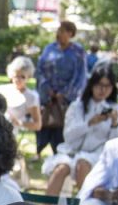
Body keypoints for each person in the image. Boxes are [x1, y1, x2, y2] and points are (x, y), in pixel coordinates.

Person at [43, 67, 118, 196]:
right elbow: (68, 136)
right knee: (61, 169)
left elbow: (116, 143)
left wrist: (114, 123)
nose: (102, 90)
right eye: (99, 85)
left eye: (107, 86)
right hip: (71, 151)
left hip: (97, 154)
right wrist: (89, 123)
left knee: (82, 164)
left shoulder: (117, 109)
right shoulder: (77, 106)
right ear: (92, 85)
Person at [37, 20, 89, 156]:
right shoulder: (49, 48)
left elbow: (81, 75)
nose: (59, 33)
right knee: (44, 122)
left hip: (66, 98)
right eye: (58, 30)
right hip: (48, 95)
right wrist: (47, 88)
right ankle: (39, 149)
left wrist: (64, 93)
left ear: (70, 34)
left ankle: (59, 151)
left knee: (62, 125)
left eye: (62, 31)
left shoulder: (78, 52)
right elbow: (40, 69)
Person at [0, 56, 42, 137]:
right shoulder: (1, 89)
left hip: (10, 134)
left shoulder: (31, 97)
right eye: (16, 76)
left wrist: (19, 123)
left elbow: (37, 125)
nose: (18, 79)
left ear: (28, 77)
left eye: (22, 77)